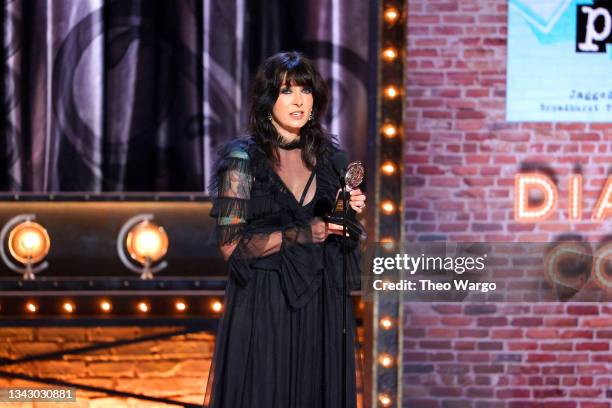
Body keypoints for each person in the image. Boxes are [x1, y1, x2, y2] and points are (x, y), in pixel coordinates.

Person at [203, 51, 366, 408]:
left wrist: (348, 215)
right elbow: (231, 247)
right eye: (286, 91)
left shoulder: (329, 160)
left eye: (306, 92)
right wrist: (300, 233)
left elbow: (343, 244)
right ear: (267, 100)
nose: (298, 101)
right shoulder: (242, 161)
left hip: (321, 307)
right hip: (264, 305)